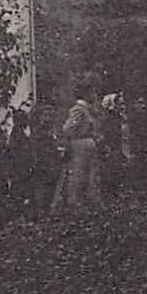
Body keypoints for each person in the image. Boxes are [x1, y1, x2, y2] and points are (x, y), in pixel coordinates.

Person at [51, 78, 102, 215]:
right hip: (80, 146)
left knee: (88, 175)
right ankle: (75, 206)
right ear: (85, 94)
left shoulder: (88, 110)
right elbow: (68, 129)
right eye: (92, 92)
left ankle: (87, 205)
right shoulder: (79, 110)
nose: (94, 95)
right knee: (78, 175)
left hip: (86, 146)